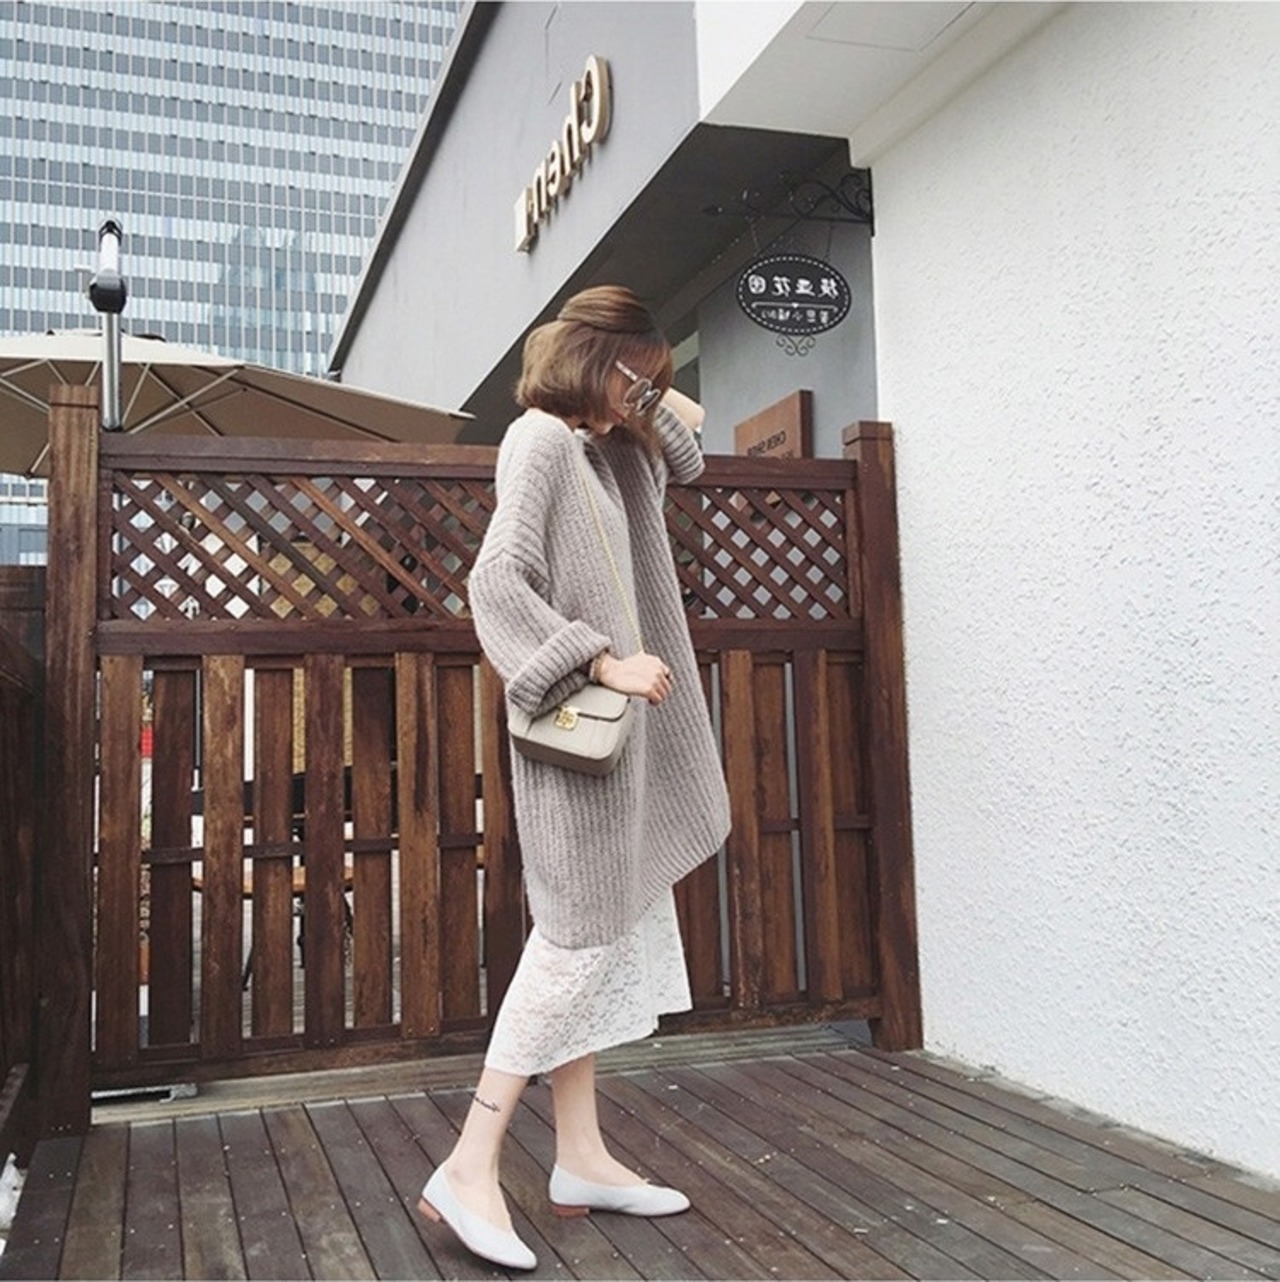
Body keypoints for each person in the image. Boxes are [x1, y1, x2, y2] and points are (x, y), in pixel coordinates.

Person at [416, 285, 731, 1270]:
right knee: (571, 946)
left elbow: (690, 456)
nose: (647, 397)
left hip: (619, 754)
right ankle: (467, 1165)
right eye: (637, 376)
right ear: (597, 361)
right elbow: (495, 582)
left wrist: (646, 395)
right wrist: (599, 660)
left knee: (596, 949)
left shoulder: (609, 455)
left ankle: (581, 1156)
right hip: (577, 744)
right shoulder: (540, 442)